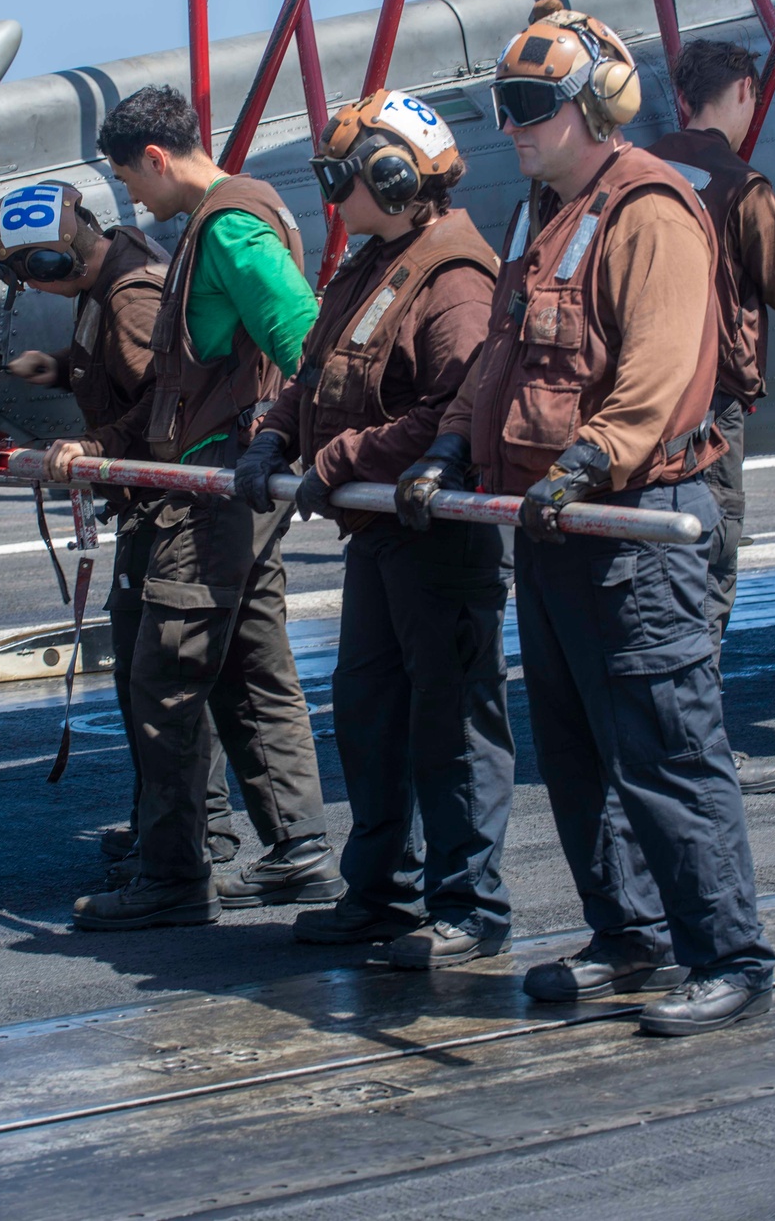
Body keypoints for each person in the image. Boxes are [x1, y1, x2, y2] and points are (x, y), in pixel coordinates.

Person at [397, 0, 775, 1035]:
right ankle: (628, 938)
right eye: (503, 109)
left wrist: (588, 461)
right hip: (558, 529)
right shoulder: (538, 217)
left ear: (592, 108)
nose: (510, 126)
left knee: (666, 748)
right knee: (573, 751)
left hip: (633, 521)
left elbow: (656, 371)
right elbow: (499, 362)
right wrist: (445, 446)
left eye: (528, 106)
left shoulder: (651, 210)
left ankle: (729, 955)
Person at [234, 90, 514, 967]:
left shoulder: (456, 282)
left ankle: (468, 908)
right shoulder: (372, 263)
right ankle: (382, 894)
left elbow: (450, 416)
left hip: (437, 536)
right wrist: (276, 433)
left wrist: (342, 456)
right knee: (369, 712)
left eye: (338, 176)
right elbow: (314, 368)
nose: (329, 191)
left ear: (391, 180)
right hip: (382, 536)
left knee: (453, 724)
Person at [69, 85, 341, 930]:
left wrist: (286, 443)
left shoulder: (227, 227)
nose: (132, 201)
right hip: (233, 486)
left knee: (167, 679)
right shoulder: (234, 218)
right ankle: (297, 853)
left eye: (129, 180)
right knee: (254, 671)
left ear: (156, 157)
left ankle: (173, 875)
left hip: (217, 486)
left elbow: (303, 338)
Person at [0, 181, 241, 874]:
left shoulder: (128, 295)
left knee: (160, 684)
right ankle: (167, 825)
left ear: (48, 268)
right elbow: (108, 373)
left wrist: (91, 447)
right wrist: (37, 373)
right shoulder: (109, 278)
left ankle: (200, 839)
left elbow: (161, 407)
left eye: (26, 275)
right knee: (145, 678)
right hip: (152, 502)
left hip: (170, 506)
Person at [649, 39, 775, 794]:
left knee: (656, 572)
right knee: (709, 568)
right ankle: (700, 749)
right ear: (747, 92)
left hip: (642, 403)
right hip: (711, 409)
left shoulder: (641, 170)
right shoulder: (739, 184)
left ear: (682, 97)